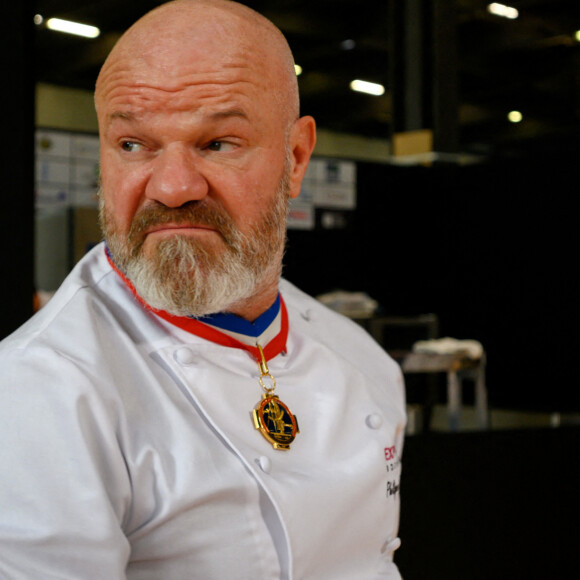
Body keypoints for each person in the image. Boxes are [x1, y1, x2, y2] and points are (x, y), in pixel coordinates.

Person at [0, 1, 406, 578]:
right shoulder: (40, 395)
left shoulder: (364, 364)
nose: (172, 187)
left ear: (296, 158)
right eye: (133, 145)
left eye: (218, 143)